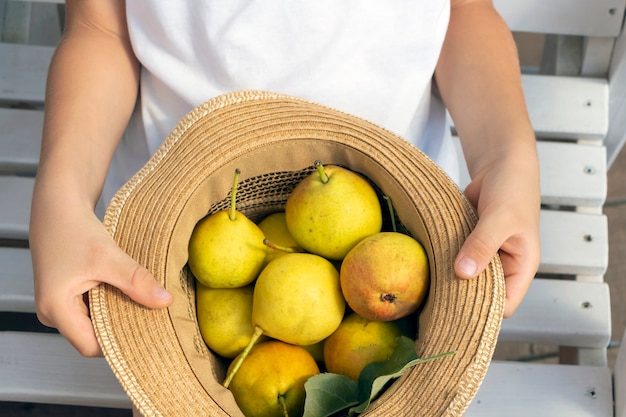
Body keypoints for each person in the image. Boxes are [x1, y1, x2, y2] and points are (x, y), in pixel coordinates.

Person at [30, 0, 540, 368]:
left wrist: (505, 157)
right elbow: (100, 28)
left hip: (407, 207)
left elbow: (465, 12)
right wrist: (62, 198)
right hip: (170, 226)